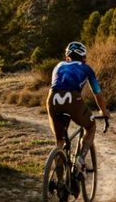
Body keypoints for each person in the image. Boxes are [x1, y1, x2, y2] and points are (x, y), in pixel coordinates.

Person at [46, 41, 109, 172]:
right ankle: (80, 160)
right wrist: (103, 111)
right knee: (91, 127)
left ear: (67, 57)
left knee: (59, 142)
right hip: (73, 99)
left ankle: (60, 184)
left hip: (52, 99)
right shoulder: (86, 68)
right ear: (84, 57)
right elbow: (97, 93)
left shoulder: (58, 66)